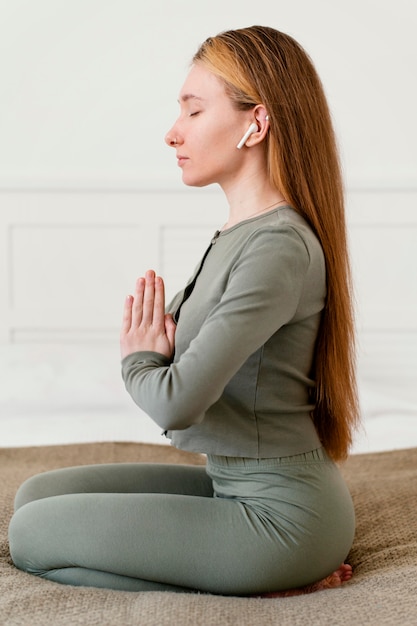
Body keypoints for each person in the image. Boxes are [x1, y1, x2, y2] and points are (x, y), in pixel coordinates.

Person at [9, 25, 359, 596]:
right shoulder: (243, 234)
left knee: (30, 536)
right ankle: (241, 575)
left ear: (257, 123)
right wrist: (160, 355)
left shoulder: (278, 248)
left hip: (281, 520)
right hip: (231, 485)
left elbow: (178, 401)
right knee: (34, 498)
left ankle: (259, 583)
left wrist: (140, 362)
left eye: (193, 112)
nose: (173, 133)